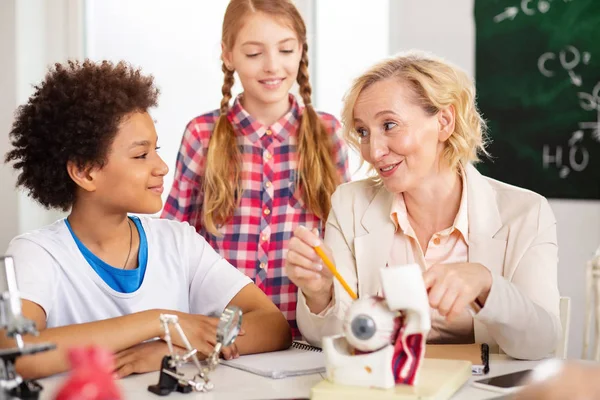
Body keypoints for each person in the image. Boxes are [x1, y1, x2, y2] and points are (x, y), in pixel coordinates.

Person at [2, 60, 291, 380]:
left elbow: (271, 324)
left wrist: (170, 348)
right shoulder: (36, 253)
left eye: (156, 150)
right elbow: (17, 353)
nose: (162, 167)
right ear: (85, 172)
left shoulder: (178, 242)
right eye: (141, 155)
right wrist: (157, 322)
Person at [285, 51, 561, 360]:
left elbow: (542, 341)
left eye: (389, 125)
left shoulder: (525, 213)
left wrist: (487, 285)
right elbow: (333, 336)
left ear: (444, 121)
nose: (374, 151)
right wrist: (320, 293)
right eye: (363, 132)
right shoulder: (350, 204)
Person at [161, 0, 350, 337]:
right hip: (223, 337)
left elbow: (344, 239)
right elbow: (172, 241)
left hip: (306, 336)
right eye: (253, 54)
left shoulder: (328, 134)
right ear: (228, 54)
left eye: (286, 49)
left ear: (301, 50)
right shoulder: (202, 135)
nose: (272, 66)